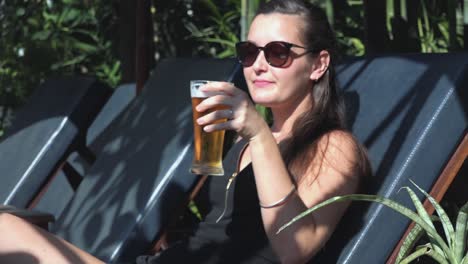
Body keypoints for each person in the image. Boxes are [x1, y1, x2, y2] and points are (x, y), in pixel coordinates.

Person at [0, 0, 370, 263]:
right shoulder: (242, 143)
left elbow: (295, 249)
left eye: (277, 53)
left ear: (318, 64)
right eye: (248, 52)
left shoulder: (334, 146)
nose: (257, 65)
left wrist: (258, 135)